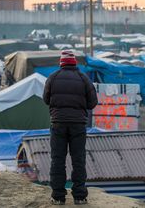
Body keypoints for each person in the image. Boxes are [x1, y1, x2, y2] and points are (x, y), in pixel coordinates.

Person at [43, 50, 98, 205]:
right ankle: (80, 196)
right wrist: (80, 107)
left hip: (58, 123)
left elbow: (46, 99)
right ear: (74, 63)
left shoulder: (52, 78)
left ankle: (58, 197)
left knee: (57, 160)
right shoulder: (83, 78)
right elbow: (93, 102)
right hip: (78, 125)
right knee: (78, 160)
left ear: (61, 63)